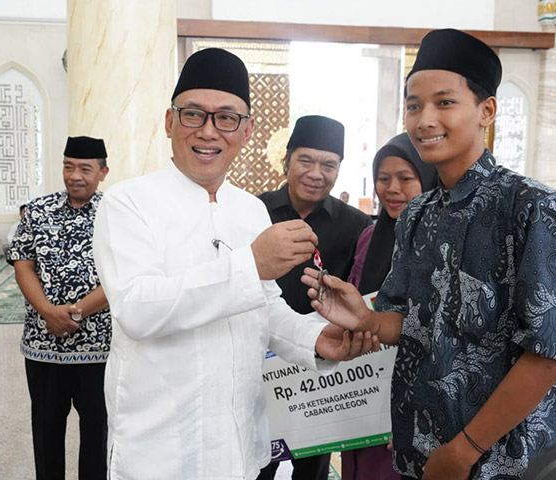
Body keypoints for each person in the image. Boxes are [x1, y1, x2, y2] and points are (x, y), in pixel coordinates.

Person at [301, 29, 556, 479]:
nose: (424, 120)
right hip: (423, 448)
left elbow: (550, 351)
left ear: (486, 110)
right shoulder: (417, 214)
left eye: (444, 102)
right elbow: (411, 323)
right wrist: (367, 318)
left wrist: (465, 449)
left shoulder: (531, 206)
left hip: (504, 458)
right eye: (414, 106)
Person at [90, 48, 374, 479]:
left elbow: (265, 308)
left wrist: (316, 339)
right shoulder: (128, 203)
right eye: (193, 114)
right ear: (169, 122)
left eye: (226, 118)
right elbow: (136, 309)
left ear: (246, 131)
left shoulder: (249, 210)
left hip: (239, 447)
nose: (208, 131)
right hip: (161, 451)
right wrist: (251, 264)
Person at [256, 115, 371, 480]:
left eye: (328, 165)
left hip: (319, 367)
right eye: (305, 160)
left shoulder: (357, 225)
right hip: (258, 361)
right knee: (256, 462)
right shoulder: (254, 211)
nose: (316, 173)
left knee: (313, 468)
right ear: (287, 160)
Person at [8, 136, 112, 480]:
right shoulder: (37, 210)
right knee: (46, 429)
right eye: (68, 167)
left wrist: (77, 311)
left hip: (98, 348)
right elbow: (23, 264)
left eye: (85, 169)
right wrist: (47, 311)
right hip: (43, 346)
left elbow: (124, 274)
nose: (74, 176)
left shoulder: (116, 213)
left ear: (103, 172)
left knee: (97, 430)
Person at [343, 132, 438, 480]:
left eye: (405, 178)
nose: (392, 189)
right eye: (383, 179)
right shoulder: (370, 236)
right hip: (362, 384)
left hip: (415, 394)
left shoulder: (443, 242)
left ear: (427, 179)